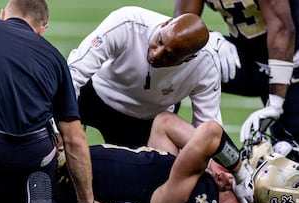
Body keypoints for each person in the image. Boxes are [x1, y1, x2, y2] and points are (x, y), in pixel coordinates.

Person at [0, 0, 109, 203]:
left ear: (2, 15)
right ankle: (41, 201)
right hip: (36, 154)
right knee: (32, 158)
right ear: (42, 29)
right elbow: (74, 138)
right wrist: (87, 202)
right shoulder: (54, 57)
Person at [174, 0, 299, 165]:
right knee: (177, 56)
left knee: (293, 171)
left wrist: (275, 103)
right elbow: (180, 25)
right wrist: (210, 38)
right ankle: (157, 150)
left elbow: (282, 27)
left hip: (295, 63)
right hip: (247, 59)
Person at [55, 111, 253, 203]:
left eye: (231, 188)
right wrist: (212, 164)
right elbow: (164, 123)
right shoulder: (170, 177)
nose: (228, 179)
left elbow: (210, 133)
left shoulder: (184, 197)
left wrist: (240, 174)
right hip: (68, 168)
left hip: (64, 174)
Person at [67, 6, 223, 147]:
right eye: (160, 41)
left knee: (139, 176)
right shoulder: (127, 23)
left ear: (189, 59)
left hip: (146, 118)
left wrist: (230, 171)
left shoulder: (207, 65)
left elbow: (208, 128)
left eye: (169, 56)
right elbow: (75, 72)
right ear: (165, 24)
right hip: (96, 93)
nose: (156, 53)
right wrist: (63, 123)